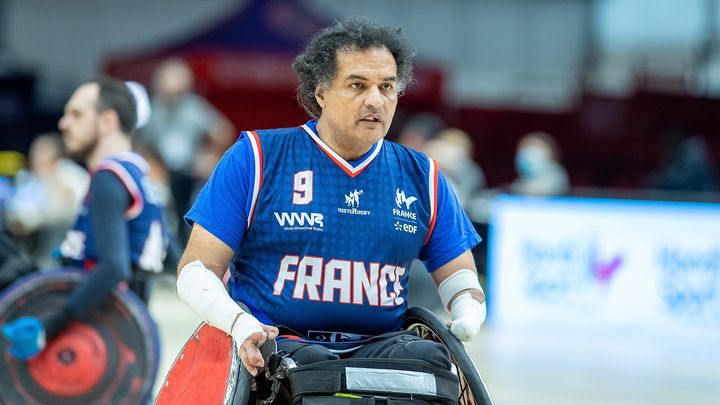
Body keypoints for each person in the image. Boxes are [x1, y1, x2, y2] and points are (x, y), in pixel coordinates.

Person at [176, 18, 486, 378]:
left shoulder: (424, 175)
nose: (375, 100)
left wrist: (468, 313)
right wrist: (238, 322)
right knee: (309, 370)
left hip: (382, 346)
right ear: (320, 92)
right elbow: (195, 272)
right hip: (283, 343)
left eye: (387, 87)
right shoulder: (257, 157)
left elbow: (460, 277)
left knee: (431, 361)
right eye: (357, 85)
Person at [2, 77, 167, 360]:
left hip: (96, 334)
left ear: (107, 122)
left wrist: (49, 326)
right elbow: (172, 256)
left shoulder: (108, 178)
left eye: (76, 114)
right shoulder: (140, 177)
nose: (64, 123)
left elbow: (114, 269)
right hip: (129, 332)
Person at [140, 58, 236, 242]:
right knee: (160, 201)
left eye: (179, 92)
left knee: (197, 207)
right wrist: (154, 165)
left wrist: (209, 155)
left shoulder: (193, 107)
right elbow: (142, 143)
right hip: (165, 173)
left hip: (191, 171)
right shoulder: (152, 109)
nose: (174, 97)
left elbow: (223, 131)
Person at [4, 133, 89, 269]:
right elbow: (21, 216)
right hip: (35, 244)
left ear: (55, 154)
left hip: (67, 243)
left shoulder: (68, 173)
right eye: (34, 151)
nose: (35, 156)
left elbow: (76, 207)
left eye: (41, 150)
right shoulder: (28, 180)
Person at [510, 131, 569, 196]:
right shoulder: (522, 178)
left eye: (535, 147)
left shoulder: (557, 174)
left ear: (551, 153)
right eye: (524, 148)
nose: (529, 155)